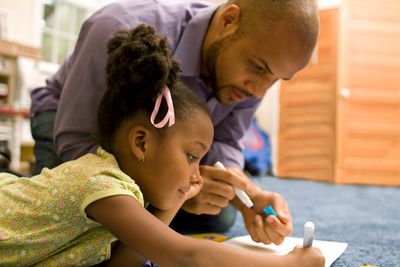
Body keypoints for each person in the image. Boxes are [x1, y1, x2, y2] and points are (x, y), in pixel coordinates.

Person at [1, 25, 324, 267]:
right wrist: (288, 263)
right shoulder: (100, 184)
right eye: (192, 157)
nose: (198, 174)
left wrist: (175, 198)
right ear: (141, 142)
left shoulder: (119, 191)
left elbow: (124, 263)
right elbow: (186, 255)